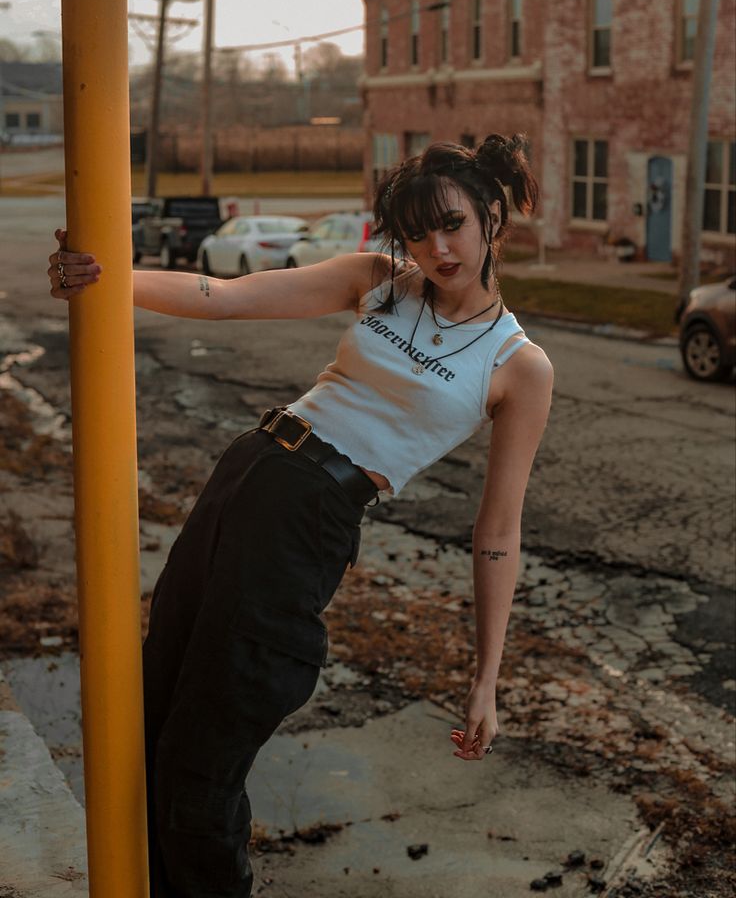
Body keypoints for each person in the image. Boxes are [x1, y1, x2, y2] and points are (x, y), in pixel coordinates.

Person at [48, 134, 554, 898]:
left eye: (451, 224)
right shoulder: (381, 281)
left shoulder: (520, 366)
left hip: (310, 517)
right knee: (148, 714)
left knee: (202, 761)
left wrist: (486, 678)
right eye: (417, 231)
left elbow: (498, 533)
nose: (437, 248)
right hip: (249, 471)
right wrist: (104, 279)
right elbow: (225, 297)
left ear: (490, 214)